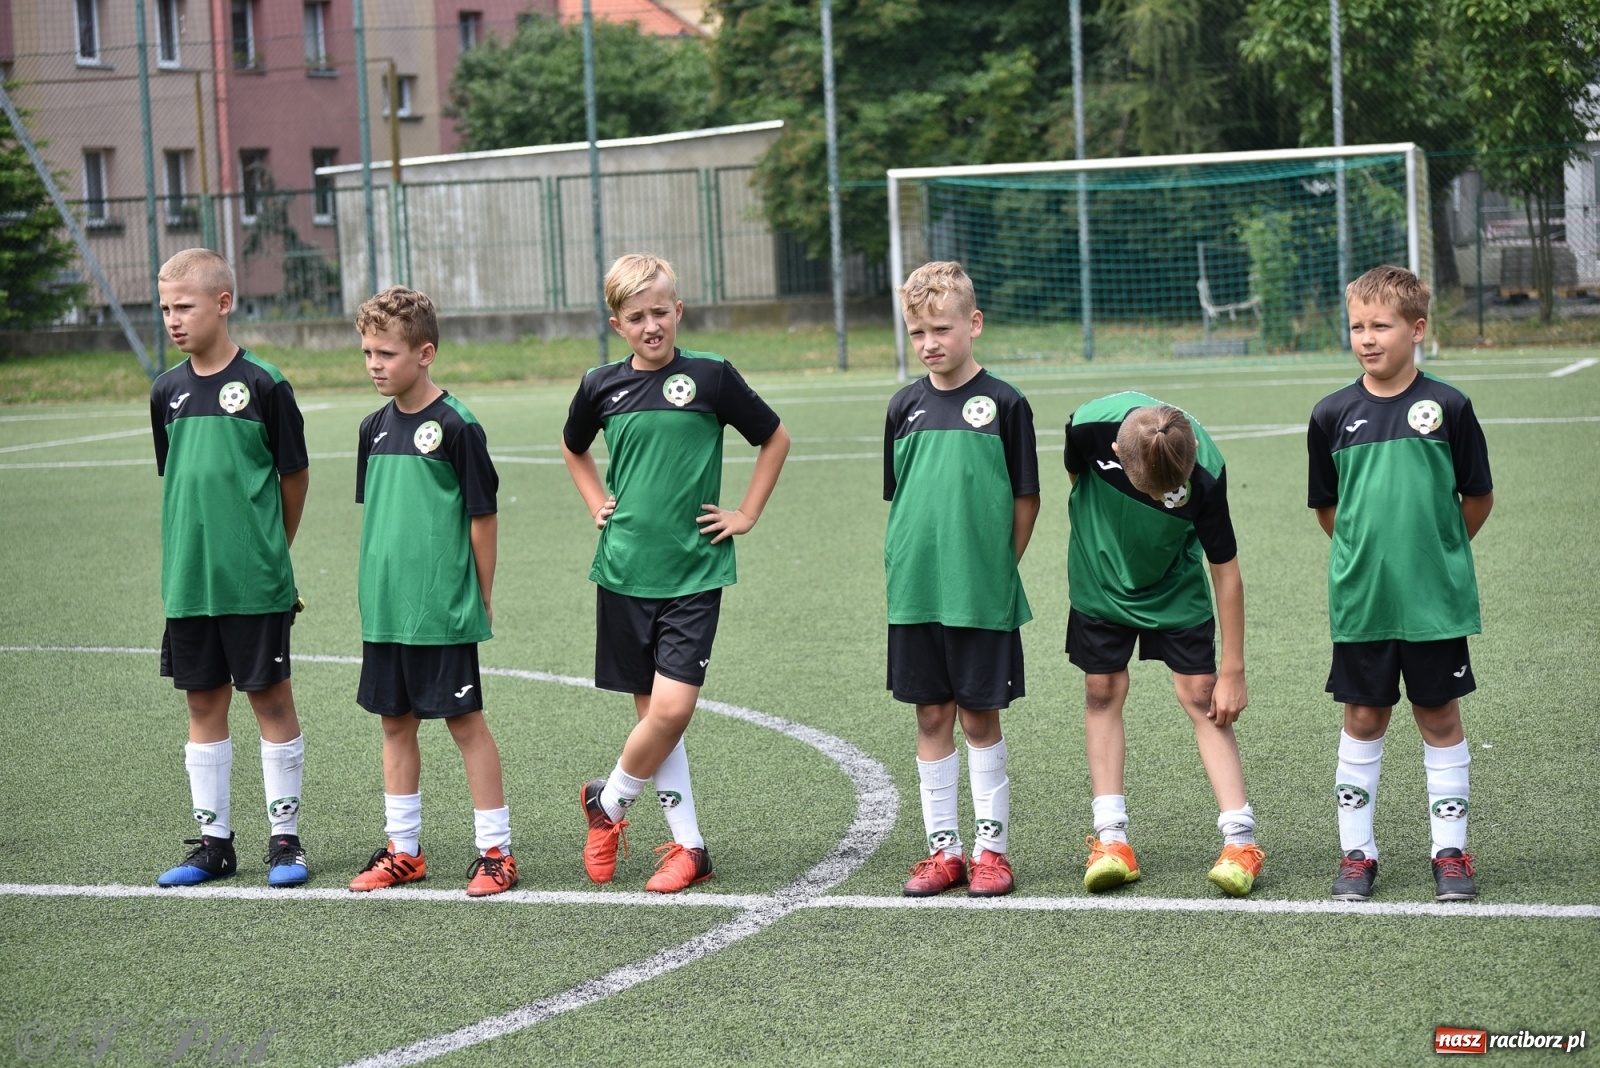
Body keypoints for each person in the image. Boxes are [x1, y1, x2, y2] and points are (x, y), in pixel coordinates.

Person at [562, 253, 790, 894]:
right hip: (625, 570)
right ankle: (688, 848)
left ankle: (608, 804)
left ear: (678, 310)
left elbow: (774, 437)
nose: (651, 325)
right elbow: (574, 447)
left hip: (693, 573)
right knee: (655, 719)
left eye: (660, 312)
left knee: (672, 710)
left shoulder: (711, 378)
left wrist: (746, 512)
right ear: (618, 323)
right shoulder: (599, 385)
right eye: (636, 317)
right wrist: (593, 501)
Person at [1309, 264, 1492, 902]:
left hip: (1434, 600)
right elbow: (1330, 511)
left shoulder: (1448, 406)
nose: (1366, 337)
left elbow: (1477, 496)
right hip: (1363, 601)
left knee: (1439, 715)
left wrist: (1436, 551)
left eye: (1380, 325)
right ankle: (1357, 853)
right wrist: (1367, 554)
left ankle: (1451, 852)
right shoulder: (1331, 413)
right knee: (1363, 715)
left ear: (1416, 329)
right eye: (1357, 325)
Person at [347, 286, 517, 897]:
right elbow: (385, 520)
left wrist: (481, 593)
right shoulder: (371, 429)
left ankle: (496, 852)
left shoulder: (457, 426)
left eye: (386, 353)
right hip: (386, 610)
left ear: (425, 354)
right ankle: (403, 851)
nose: (373, 364)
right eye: (367, 352)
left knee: (465, 724)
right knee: (395, 724)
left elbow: (482, 517)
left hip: (441, 608)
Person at [150, 247, 310, 889]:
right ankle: (214, 844)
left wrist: (274, 548)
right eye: (164, 309)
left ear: (223, 302)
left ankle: (286, 842)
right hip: (190, 579)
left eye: (183, 306)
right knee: (202, 701)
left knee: (270, 700)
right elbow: (177, 477)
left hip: (255, 579)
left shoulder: (266, 386)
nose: (173, 320)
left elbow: (293, 477)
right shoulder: (166, 391)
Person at [1065, 394, 1262, 897]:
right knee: (1101, 689)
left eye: (1167, 494)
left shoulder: (1207, 474)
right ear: (1114, 450)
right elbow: (1075, 479)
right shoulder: (1087, 428)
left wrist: (1233, 669)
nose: (1159, 501)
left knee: (1202, 695)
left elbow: (1227, 572)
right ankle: (1112, 841)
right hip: (1100, 577)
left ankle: (1240, 842)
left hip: (1173, 583)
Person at [884, 261, 1038, 898]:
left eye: (941, 328)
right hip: (915, 590)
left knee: (980, 718)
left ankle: (991, 851)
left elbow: (1025, 500)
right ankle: (943, 852)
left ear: (973, 323)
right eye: (917, 332)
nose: (929, 343)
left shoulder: (1005, 404)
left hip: (979, 591)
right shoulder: (903, 406)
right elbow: (901, 500)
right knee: (929, 717)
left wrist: (996, 567)